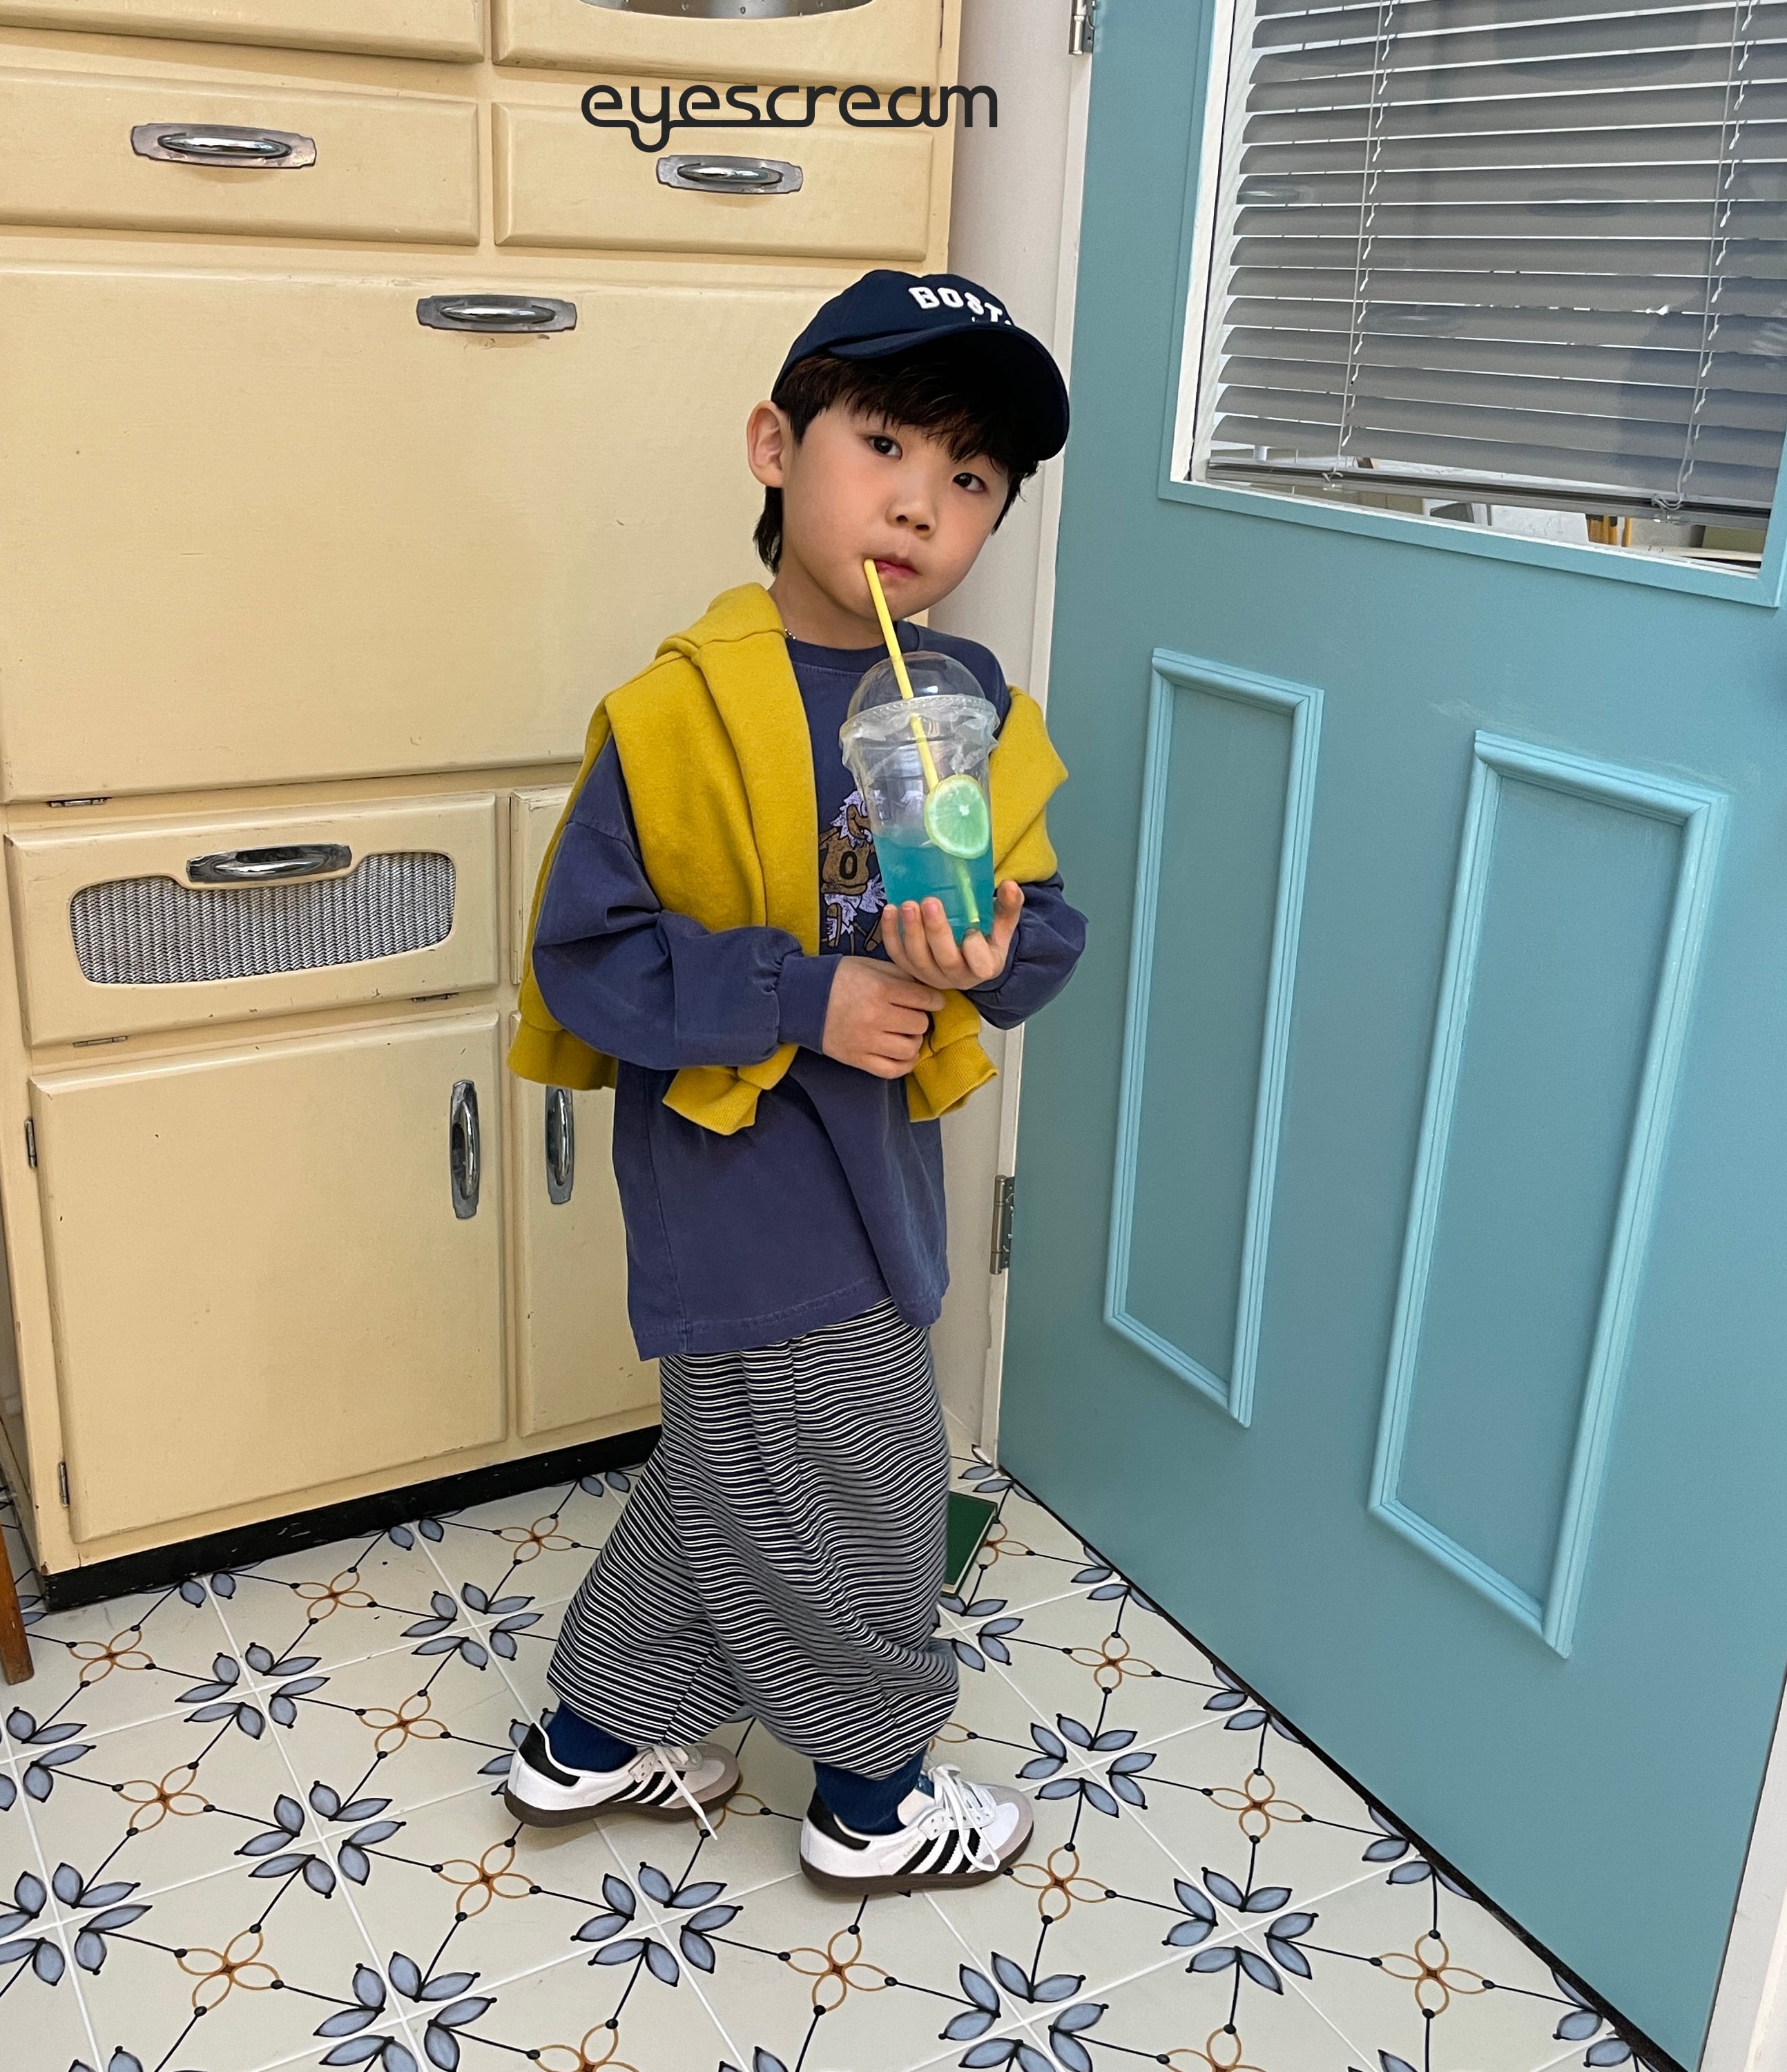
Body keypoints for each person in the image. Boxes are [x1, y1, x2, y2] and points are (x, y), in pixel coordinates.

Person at [503, 269, 1087, 1894]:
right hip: (743, 1193)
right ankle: (872, 1794)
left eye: (971, 477)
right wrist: (804, 992)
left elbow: (1043, 929)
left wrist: (996, 950)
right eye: (884, 443)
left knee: (737, 1472)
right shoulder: (677, 715)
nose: (920, 502)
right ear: (777, 447)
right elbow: (586, 959)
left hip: (876, 1175)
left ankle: (594, 1737)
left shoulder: (966, 712)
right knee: (863, 1485)